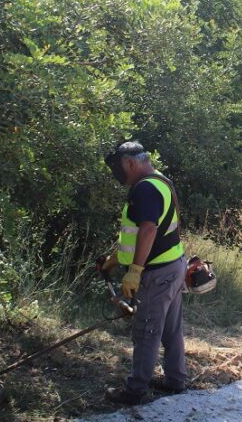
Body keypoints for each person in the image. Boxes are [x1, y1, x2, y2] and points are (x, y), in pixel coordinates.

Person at [100, 141, 188, 405]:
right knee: (171, 329)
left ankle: (135, 391)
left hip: (157, 272)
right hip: (173, 265)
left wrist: (135, 270)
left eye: (118, 167)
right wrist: (116, 259)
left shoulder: (145, 188)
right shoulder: (160, 181)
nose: (117, 174)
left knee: (146, 330)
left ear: (130, 163)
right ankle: (175, 380)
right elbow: (139, 233)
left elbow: (149, 230)